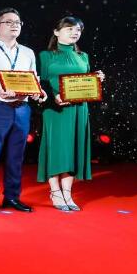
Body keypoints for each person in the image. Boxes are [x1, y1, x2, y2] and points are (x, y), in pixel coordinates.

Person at [0, 8, 46, 213]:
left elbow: (34, 79)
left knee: (16, 156)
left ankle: (12, 197)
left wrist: (38, 92)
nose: (14, 25)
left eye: (18, 22)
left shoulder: (28, 52)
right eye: (9, 22)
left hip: (22, 109)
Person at [37, 16, 105, 211]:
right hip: (55, 109)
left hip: (79, 109)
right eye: (70, 29)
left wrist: (96, 78)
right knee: (57, 149)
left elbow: (84, 82)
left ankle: (67, 193)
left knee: (73, 150)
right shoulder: (45, 56)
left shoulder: (83, 56)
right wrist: (54, 98)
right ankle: (55, 191)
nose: (75, 32)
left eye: (78, 30)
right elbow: (40, 82)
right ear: (56, 32)